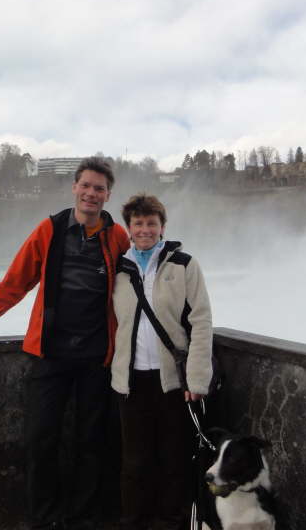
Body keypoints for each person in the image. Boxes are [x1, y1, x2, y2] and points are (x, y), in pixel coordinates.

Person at [0, 157, 130, 530]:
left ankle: (83, 519)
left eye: (99, 188)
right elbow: (14, 285)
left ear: (108, 195)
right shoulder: (49, 230)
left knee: (92, 443)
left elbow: (139, 287)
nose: (91, 193)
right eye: (86, 185)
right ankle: (43, 520)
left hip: (97, 357)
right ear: (75, 188)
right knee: (40, 440)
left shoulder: (118, 238)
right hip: (50, 354)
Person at [111, 193, 213, 530]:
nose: (145, 229)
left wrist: (197, 379)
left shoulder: (184, 265)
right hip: (131, 380)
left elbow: (201, 321)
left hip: (173, 381)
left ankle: (172, 522)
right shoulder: (118, 269)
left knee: (174, 457)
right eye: (138, 223)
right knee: (134, 461)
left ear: (162, 227)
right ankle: (133, 522)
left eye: (151, 223)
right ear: (129, 228)